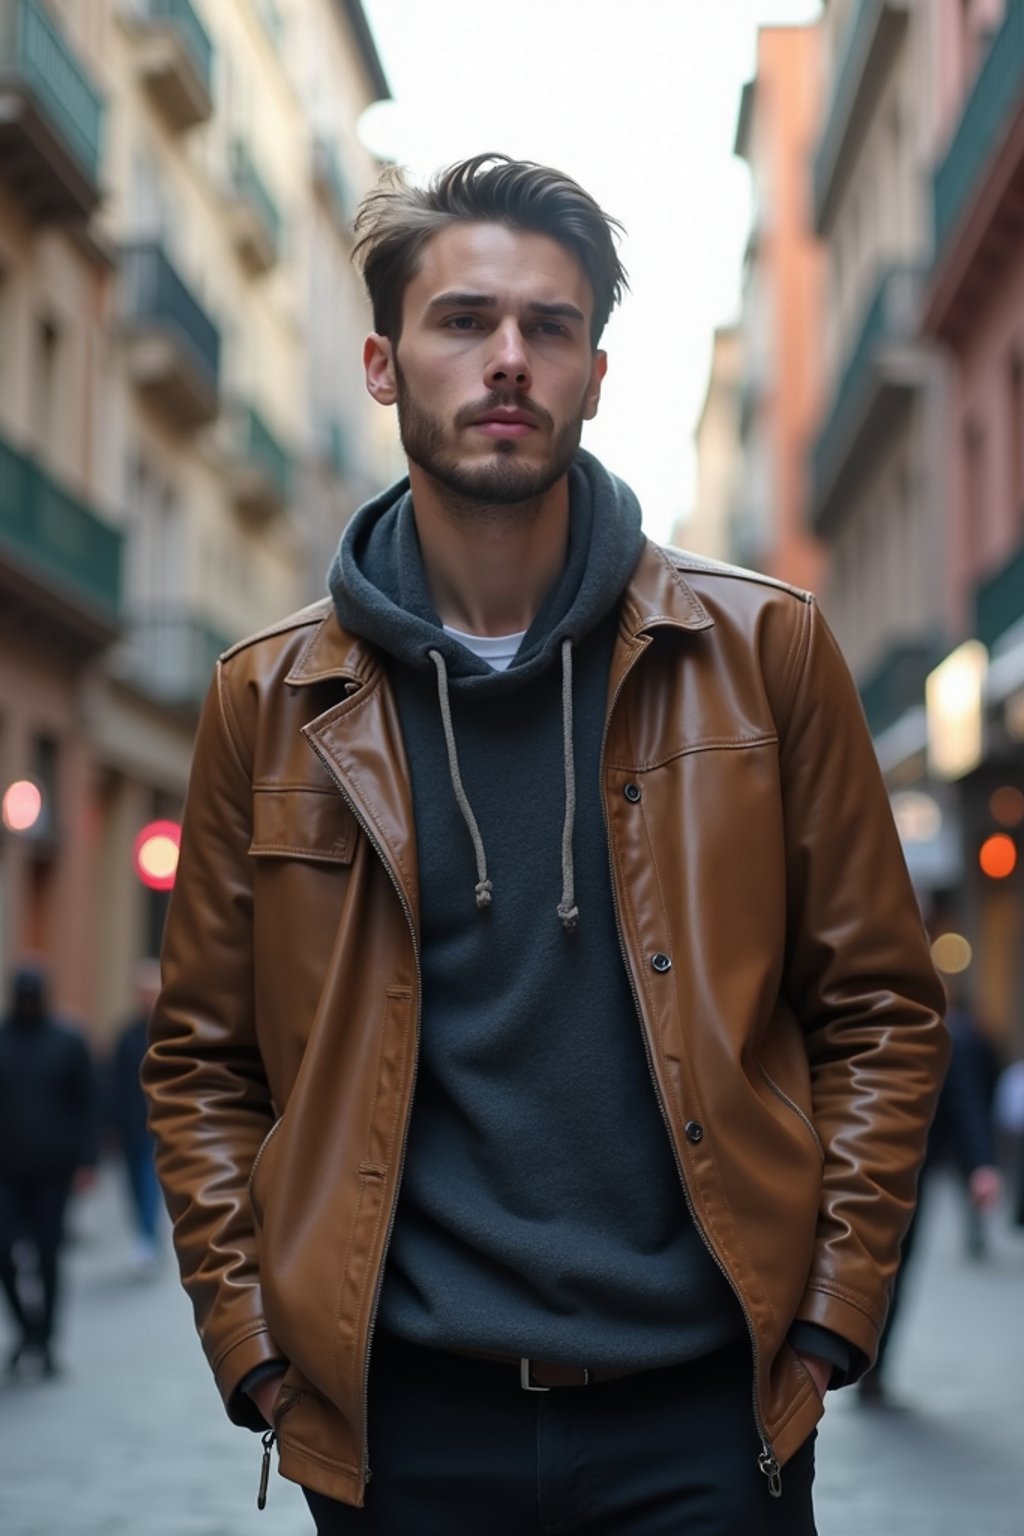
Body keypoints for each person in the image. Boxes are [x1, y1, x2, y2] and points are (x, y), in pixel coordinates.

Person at [143, 154, 949, 1535]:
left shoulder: (764, 654)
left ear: (594, 373)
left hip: (702, 1423)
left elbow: (880, 1004)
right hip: (401, 1431)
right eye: (464, 321)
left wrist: (831, 1317)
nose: (507, 359)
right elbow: (203, 1058)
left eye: (549, 328)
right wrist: (255, 1347)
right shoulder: (263, 700)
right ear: (386, 363)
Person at [857, 991, 1002, 1405]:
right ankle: (860, 1357)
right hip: (863, 1170)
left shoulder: (942, 1035)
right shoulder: (864, 1022)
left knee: (894, 1271)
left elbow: (965, 1102)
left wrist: (982, 1165)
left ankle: (872, 1363)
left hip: (910, 1175)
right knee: (873, 1268)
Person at [0, 963, 96, 1377]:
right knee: (4, 1252)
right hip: (5, 1170)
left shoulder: (68, 1041)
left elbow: (88, 1105)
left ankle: (47, 1340)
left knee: (47, 1255)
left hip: (54, 1170)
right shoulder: (2, 1039)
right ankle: (29, 1329)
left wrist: (86, 1161)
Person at [109, 959, 163, 1274]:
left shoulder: (173, 1032)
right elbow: (113, 1082)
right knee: (133, 1182)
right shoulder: (126, 1035)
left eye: (151, 992)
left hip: (161, 1125)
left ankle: (147, 1238)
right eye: (142, 992)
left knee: (148, 1180)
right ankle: (145, 1235)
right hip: (131, 1124)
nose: (146, 998)